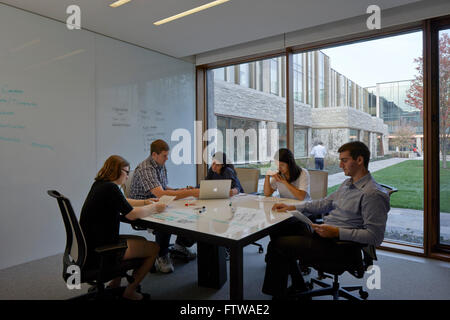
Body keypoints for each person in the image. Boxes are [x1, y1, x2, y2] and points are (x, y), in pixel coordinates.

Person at [261, 141, 390, 299]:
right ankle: (299, 285)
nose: (340, 165)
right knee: (283, 231)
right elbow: (324, 204)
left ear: (359, 160)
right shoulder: (347, 184)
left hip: (339, 247)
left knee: (277, 245)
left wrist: (337, 232)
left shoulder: (373, 194)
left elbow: (375, 237)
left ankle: (278, 295)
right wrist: (294, 208)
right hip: (325, 234)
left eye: (344, 160)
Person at [79, 155, 166, 300]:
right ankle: (129, 291)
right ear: (116, 171)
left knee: (141, 239)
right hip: (101, 250)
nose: (127, 177)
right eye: (126, 172)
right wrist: (155, 208)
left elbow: (123, 201)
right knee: (154, 248)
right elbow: (132, 215)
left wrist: (145, 202)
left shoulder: (100, 184)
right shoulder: (110, 188)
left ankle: (115, 284)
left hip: (90, 245)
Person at [129, 139, 199, 274]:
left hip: (156, 202)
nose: (167, 159)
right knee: (166, 217)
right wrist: (188, 192)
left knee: (190, 209)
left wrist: (181, 190)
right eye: (164, 156)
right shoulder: (146, 168)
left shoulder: (160, 165)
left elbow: (164, 187)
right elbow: (160, 194)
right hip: (142, 207)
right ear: (154, 155)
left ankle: (180, 245)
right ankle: (162, 256)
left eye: (167, 155)